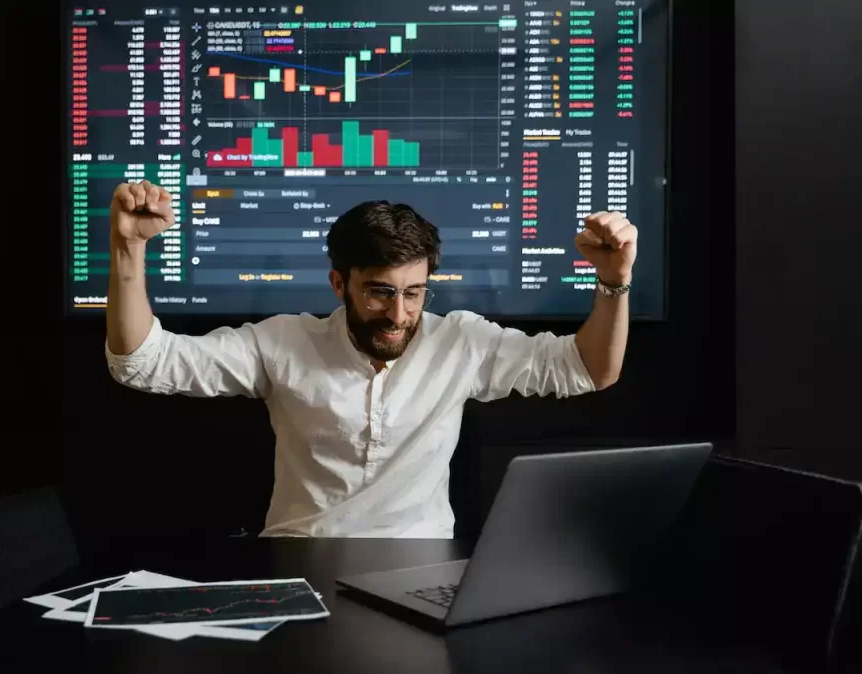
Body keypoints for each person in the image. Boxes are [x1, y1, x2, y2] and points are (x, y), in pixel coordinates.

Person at [106, 180, 637, 538]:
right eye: (379, 292)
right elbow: (143, 362)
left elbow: (588, 369)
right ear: (340, 283)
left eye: (415, 293)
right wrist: (128, 249)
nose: (399, 314)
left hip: (423, 570)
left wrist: (613, 281)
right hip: (298, 565)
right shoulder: (283, 342)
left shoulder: (461, 342)